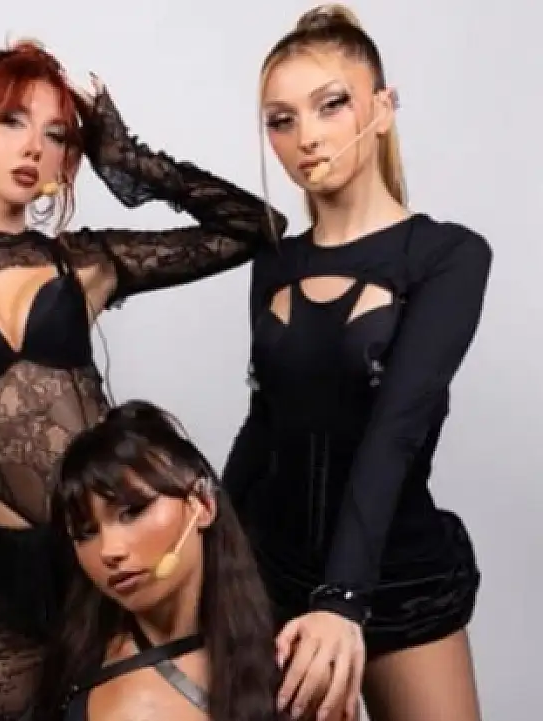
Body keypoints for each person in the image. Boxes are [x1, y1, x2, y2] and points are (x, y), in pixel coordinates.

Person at [0, 39, 286, 721]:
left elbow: (256, 227)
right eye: (12, 121)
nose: (34, 147)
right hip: (9, 573)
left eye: (57, 134)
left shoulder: (81, 262)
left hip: (116, 548)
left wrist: (127, 158)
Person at [223, 5, 490, 721]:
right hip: (277, 576)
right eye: (281, 120)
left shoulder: (448, 256)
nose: (306, 137)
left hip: (396, 575)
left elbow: (396, 428)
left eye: (331, 104)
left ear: (382, 108)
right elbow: (264, 423)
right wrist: (210, 551)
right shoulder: (274, 263)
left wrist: (342, 598)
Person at [36, 400, 290, 721]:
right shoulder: (99, 683)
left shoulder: (294, 651)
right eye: (86, 533)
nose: (109, 551)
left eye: (133, 511)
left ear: (203, 504)